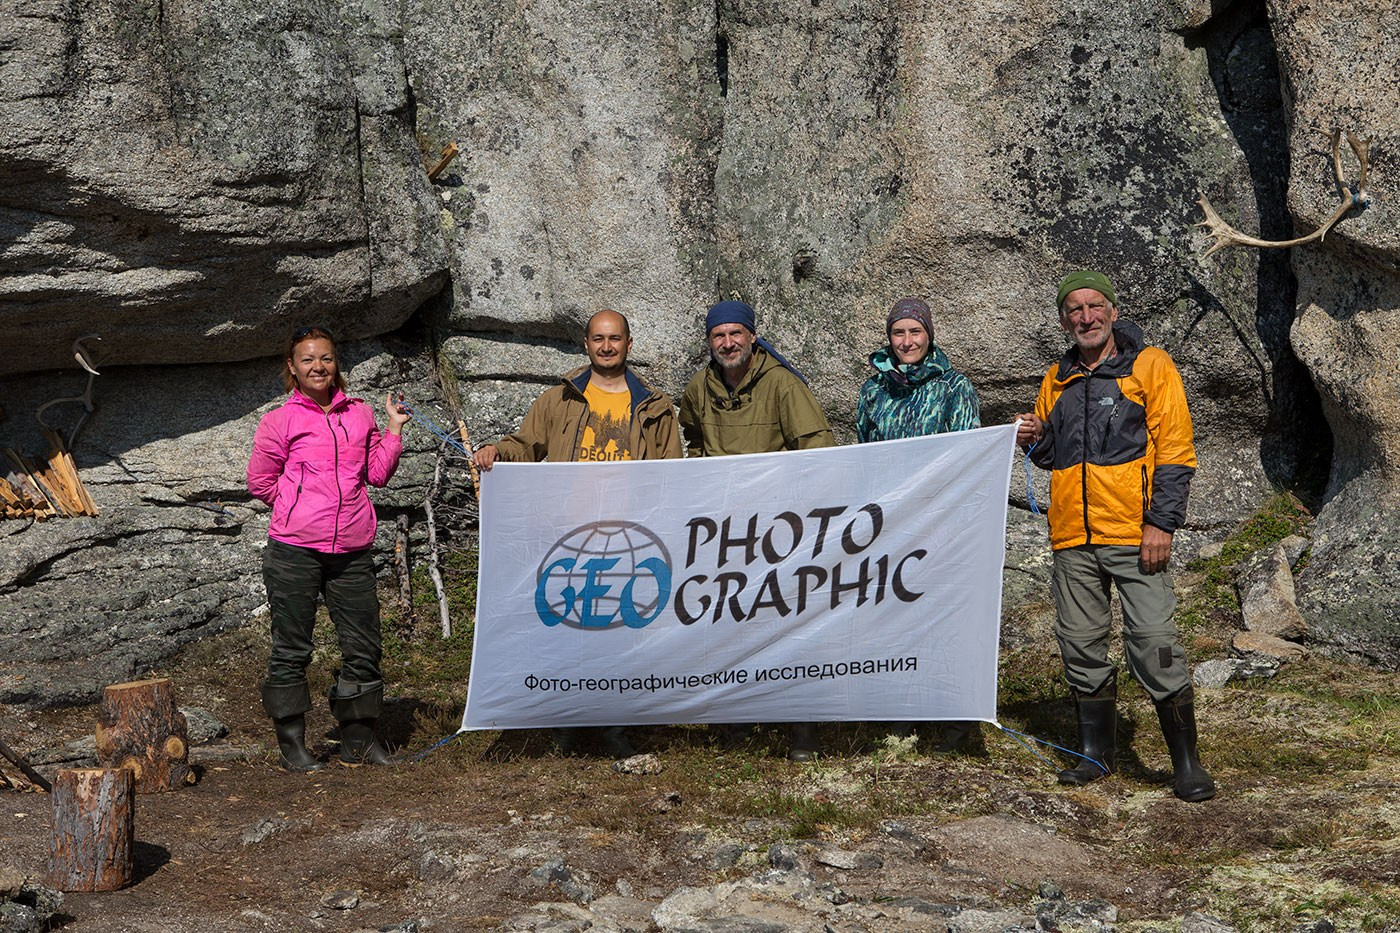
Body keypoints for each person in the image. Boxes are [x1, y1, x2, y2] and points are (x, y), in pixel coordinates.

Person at [1014, 270, 1215, 802]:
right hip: (1071, 539)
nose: (1086, 316)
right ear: (1063, 320)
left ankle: (1186, 764)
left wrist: (1161, 523)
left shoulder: (1150, 366)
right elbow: (1053, 458)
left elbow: (1176, 451)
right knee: (1079, 645)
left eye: (1094, 306)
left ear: (1112, 311)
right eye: (1074, 309)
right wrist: (1030, 439)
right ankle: (1096, 757)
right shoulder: (1055, 378)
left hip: (1134, 534)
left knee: (1154, 643)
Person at [473, 309, 681, 757]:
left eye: (616, 339)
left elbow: (673, 473)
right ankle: (565, 724)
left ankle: (613, 726)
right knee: (567, 633)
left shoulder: (655, 406)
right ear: (585, 344)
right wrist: (498, 452)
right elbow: (525, 444)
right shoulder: (558, 400)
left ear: (630, 344)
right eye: (598, 339)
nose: (607, 347)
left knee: (623, 634)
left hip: (632, 534)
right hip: (570, 533)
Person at [247, 326, 410, 771]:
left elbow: (376, 474)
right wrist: (298, 508)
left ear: (337, 364)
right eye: (307, 360)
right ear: (293, 368)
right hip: (294, 551)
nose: (318, 367)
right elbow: (260, 482)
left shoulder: (358, 414)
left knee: (363, 645)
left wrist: (393, 429)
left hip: (352, 550)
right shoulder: (280, 421)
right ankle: (293, 746)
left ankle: (357, 741)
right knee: (292, 648)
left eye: (326, 358)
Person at [679, 299, 835, 761]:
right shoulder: (699, 388)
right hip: (723, 533)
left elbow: (818, 449)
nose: (727, 343)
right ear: (709, 342)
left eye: (735, 334)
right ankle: (736, 722)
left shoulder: (783, 384)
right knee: (728, 623)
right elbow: (690, 441)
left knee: (788, 623)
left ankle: (802, 729)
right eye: (718, 336)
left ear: (751, 336)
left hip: (778, 529)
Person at [856, 296, 981, 752]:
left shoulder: (954, 387)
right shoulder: (873, 391)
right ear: (888, 338)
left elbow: (966, 458)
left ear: (929, 336)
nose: (907, 341)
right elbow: (864, 459)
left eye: (915, 332)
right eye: (898, 333)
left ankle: (953, 723)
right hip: (889, 527)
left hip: (939, 524)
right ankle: (901, 713)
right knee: (893, 618)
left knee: (942, 621)